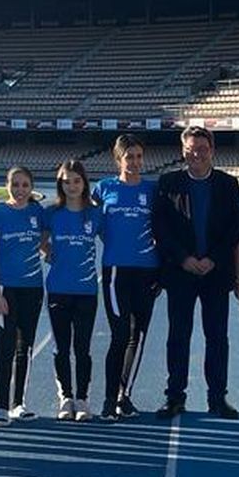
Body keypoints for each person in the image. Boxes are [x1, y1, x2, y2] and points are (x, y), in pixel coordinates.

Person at [152, 125, 239, 419]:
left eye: (202, 149)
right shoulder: (168, 183)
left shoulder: (228, 184)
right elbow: (160, 227)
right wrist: (183, 258)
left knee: (217, 337)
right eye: (191, 149)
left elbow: (234, 228)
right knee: (178, 336)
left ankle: (218, 398)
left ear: (212, 151)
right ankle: (175, 397)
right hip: (181, 273)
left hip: (215, 274)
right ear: (183, 151)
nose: (197, 154)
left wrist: (214, 259)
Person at [95, 135, 160, 420]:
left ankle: (125, 396)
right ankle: (110, 399)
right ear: (118, 159)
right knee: (120, 334)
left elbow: (166, 227)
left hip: (147, 271)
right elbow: (83, 212)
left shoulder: (153, 190)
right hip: (116, 272)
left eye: (137, 156)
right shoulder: (104, 188)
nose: (134, 162)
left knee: (139, 335)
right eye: (128, 157)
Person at [0, 165, 47, 426]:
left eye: (25, 185)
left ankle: (19, 403)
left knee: (26, 347)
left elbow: (44, 243)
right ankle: (0, 406)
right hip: (5, 290)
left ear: (31, 188)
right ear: (7, 185)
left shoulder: (37, 212)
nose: (20, 190)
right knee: (5, 347)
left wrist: (50, 252)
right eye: (15, 185)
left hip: (33, 289)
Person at [45, 159, 101, 421]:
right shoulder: (52, 213)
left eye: (76, 180)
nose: (71, 186)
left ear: (84, 183)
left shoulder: (95, 214)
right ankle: (65, 397)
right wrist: (48, 252)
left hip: (87, 290)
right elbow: (39, 238)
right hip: (58, 289)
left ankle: (83, 398)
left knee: (83, 348)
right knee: (61, 348)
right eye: (66, 181)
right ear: (60, 184)